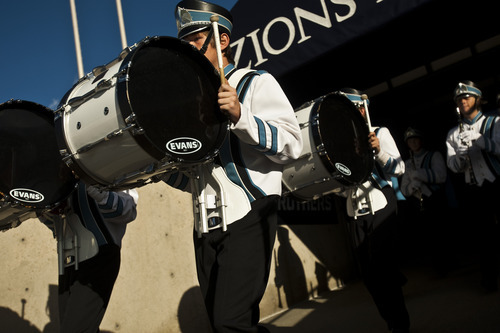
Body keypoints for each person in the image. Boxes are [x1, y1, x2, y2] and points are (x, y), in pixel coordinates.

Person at [164, 1, 303, 332]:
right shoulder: (190, 103)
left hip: (250, 212)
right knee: (225, 322)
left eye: (195, 40)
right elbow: (195, 179)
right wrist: (162, 168)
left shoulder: (255, 82)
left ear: (221, 40)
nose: (188, 50)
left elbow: (292, 145)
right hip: (205, 225)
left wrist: (242, 117)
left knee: (230, 323)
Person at [335, 88, 410, 333]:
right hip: (355, 210)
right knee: (368, 274)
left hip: (380, 204)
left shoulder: (380, 132)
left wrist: (378, 150)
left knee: (383, 271)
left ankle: (399, 325)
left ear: (362, 109)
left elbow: (398, 168)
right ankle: (391, 317)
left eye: (354, 108)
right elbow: (341, 188)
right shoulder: (340, 142)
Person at [39, 181, 138, 332]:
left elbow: (127, 210)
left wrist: (93, 188)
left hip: (99, 254)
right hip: (68, 260)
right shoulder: (58, 171)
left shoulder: (114, 164)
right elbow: (54, 225)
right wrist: (44, 208)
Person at [445, 80, 500, 292]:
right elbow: (452, 166)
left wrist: (481, 140)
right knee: (483, 237)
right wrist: (459, 159)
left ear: (477, 99)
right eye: (459, 99)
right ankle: (489, 280)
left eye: (467, 97)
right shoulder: (452, 134)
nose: (463, 101)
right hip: (474, 189)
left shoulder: (495, 122)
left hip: (497, 182)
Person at [400, 127, 451, 272]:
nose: (413, 142)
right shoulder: (407, 163)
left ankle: (447, 263)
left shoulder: (433, 156)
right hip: (418, 202)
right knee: (427, 236)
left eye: (415, 139)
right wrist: (412, 187)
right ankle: (436, 266)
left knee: (441, 233)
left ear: (421, 140)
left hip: (435, 199)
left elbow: (441, 176)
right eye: (410, 140)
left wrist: (419, 175)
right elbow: (404, 189)